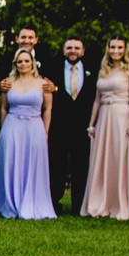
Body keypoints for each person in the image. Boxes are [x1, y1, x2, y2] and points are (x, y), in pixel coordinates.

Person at [80, 35, 129, 220]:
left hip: (122, 116)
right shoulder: (103, 71)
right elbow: (97, 100)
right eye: (112, 47)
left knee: (120, 157)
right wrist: (91, 123)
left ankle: (121, 203)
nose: (115, 51)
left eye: (119, 47)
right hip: (104, 117)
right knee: (103, 159)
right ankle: (101, 201)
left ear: (125, 50)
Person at [0, 49, 54, 219]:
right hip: (12, 126)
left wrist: (45, 132)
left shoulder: (43, 83)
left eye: (26, 61)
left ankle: (33, 202)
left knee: (32, 164)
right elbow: (4, 108)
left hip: (35, 127)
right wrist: (4, 130)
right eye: (20, 61)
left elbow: (47, 109)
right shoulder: (8, 83)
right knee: (12, 163)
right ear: (15, 64)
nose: (23, 64)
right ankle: (10, 203)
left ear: (32, 63)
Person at [42, 36, 95, 215]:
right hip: (59, 125)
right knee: (57, 166)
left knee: (81, 166)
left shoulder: (92, 70)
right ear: (64, 50)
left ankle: (79, 205)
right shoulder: (52, 68)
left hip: (82, 126)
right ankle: (54, 203)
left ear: (83, 51)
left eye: (77, 48)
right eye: (69, 47)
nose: (73, 51)